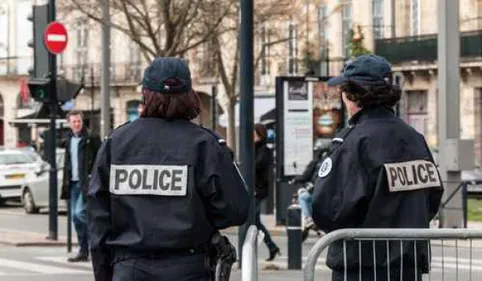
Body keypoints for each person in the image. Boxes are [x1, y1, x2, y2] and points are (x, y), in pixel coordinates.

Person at [87, 57, 249, 281]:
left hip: (129, 268)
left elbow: (98, 219)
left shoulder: (116, 143)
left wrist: (105, 274)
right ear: (189, 94)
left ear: (145, 93)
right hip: (188, 267)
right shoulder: (205, 145)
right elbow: (236, 209)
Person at [311, 55, 444, 281]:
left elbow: (328, 209)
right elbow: (432, 197)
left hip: (362, 265)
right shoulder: (415, 139)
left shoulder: (355, 142)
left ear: (352, 96)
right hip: (408, 265)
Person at [60, 110, 101, 262]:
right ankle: (83, 251)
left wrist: (93, 178)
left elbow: (101, 158)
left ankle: (95, 244)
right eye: (74, 122)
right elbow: (68, 163)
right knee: (76, 219)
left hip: (86, 184)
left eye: (79, 121)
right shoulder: (69, 139)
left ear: (82, 122)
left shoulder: (91, 138)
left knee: (79, 214)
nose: (77, 124)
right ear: (69, 124)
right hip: (72, 183)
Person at [254, 123, 280, 261]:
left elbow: (257, 166)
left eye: (253, 133)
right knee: (255, 221)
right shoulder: (254, 148)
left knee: (253, 220)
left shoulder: (264, 150)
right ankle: (272, 247)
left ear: (259, 134)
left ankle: (271, 246)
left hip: (259, 190)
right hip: (254, 189)